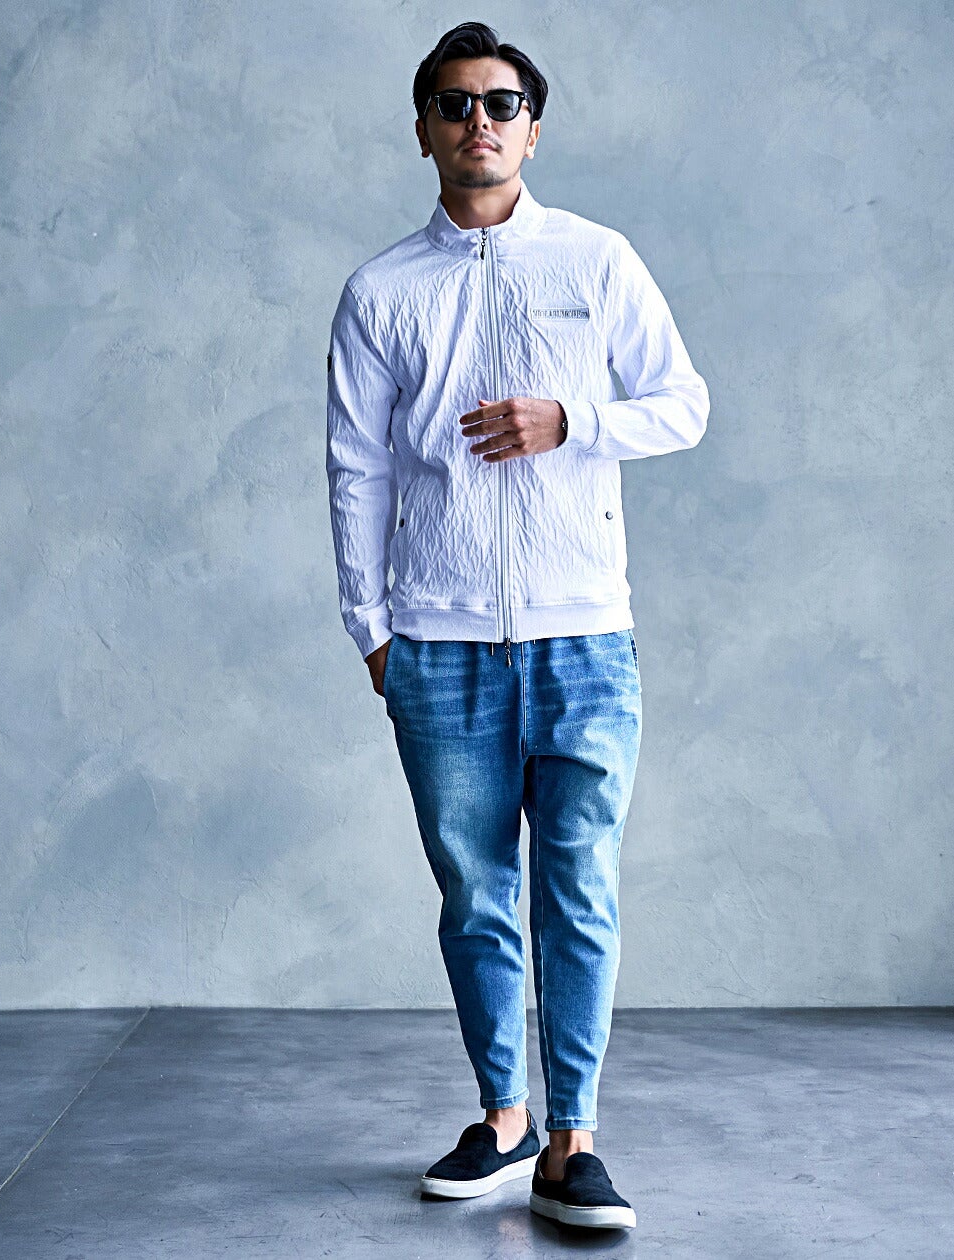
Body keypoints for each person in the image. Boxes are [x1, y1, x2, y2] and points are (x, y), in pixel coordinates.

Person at [326, 21, 709, 1232]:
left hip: (584, 638)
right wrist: (372, 629)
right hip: (437, 646)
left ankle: (574, 1139)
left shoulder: (597, 261)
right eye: (453, 104)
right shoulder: (383, 290)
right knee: (474, 892)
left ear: (532, 129)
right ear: (424, 130)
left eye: (500, 104)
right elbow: (356, 469)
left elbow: (685, 405)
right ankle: (505, 1117)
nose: (477, 122)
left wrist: (573, 421)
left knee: (578, 888)